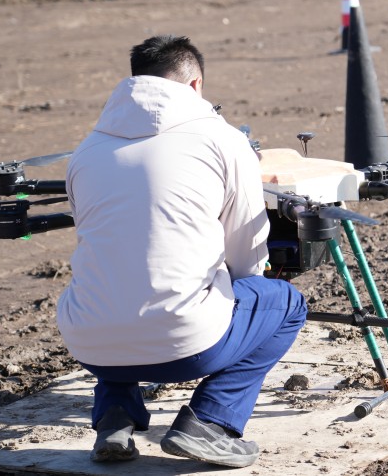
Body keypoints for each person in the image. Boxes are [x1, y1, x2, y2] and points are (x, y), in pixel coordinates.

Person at [57, 34, 307, 468]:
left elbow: (97, 238)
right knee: (287, 304)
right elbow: (246, 250)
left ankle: (114, 418)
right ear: (195, 84)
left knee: (115, 278)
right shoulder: (221, 139)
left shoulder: (86, 151)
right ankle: (211, 422)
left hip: (89, 346)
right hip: (188, 347)